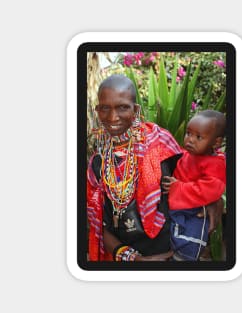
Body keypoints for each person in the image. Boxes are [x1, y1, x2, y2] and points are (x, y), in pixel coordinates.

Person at [87, 74, 223, 262]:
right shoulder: (97, 164)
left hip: (174, 254)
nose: (113, 117)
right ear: (97, 111)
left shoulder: (160, 143)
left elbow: (199, 174)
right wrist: (136, 260)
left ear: (135, 109)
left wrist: (215, 202)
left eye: (122, 107)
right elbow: (100, 226)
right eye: (105, 108)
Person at [162, 110, 226, 261]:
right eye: (188, 133)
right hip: (180, 206)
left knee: (189, 240)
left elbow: (209, 191)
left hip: (194, 212)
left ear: (216, 142)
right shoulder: (189, 154)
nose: (190, 140)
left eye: (198, 137)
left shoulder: (215, 165)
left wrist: (177, 188)